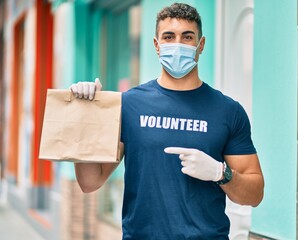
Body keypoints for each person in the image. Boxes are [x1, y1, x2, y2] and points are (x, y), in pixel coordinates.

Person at [70, 3, 264, 239]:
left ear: (200, 45)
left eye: (187, 37)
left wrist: (219, 172)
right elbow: (90, 181)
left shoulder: (227, 111)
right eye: (169, 37)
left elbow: (254, 194)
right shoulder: (129, 105)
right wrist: (85, 115)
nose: (177, 44)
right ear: (157, 45)